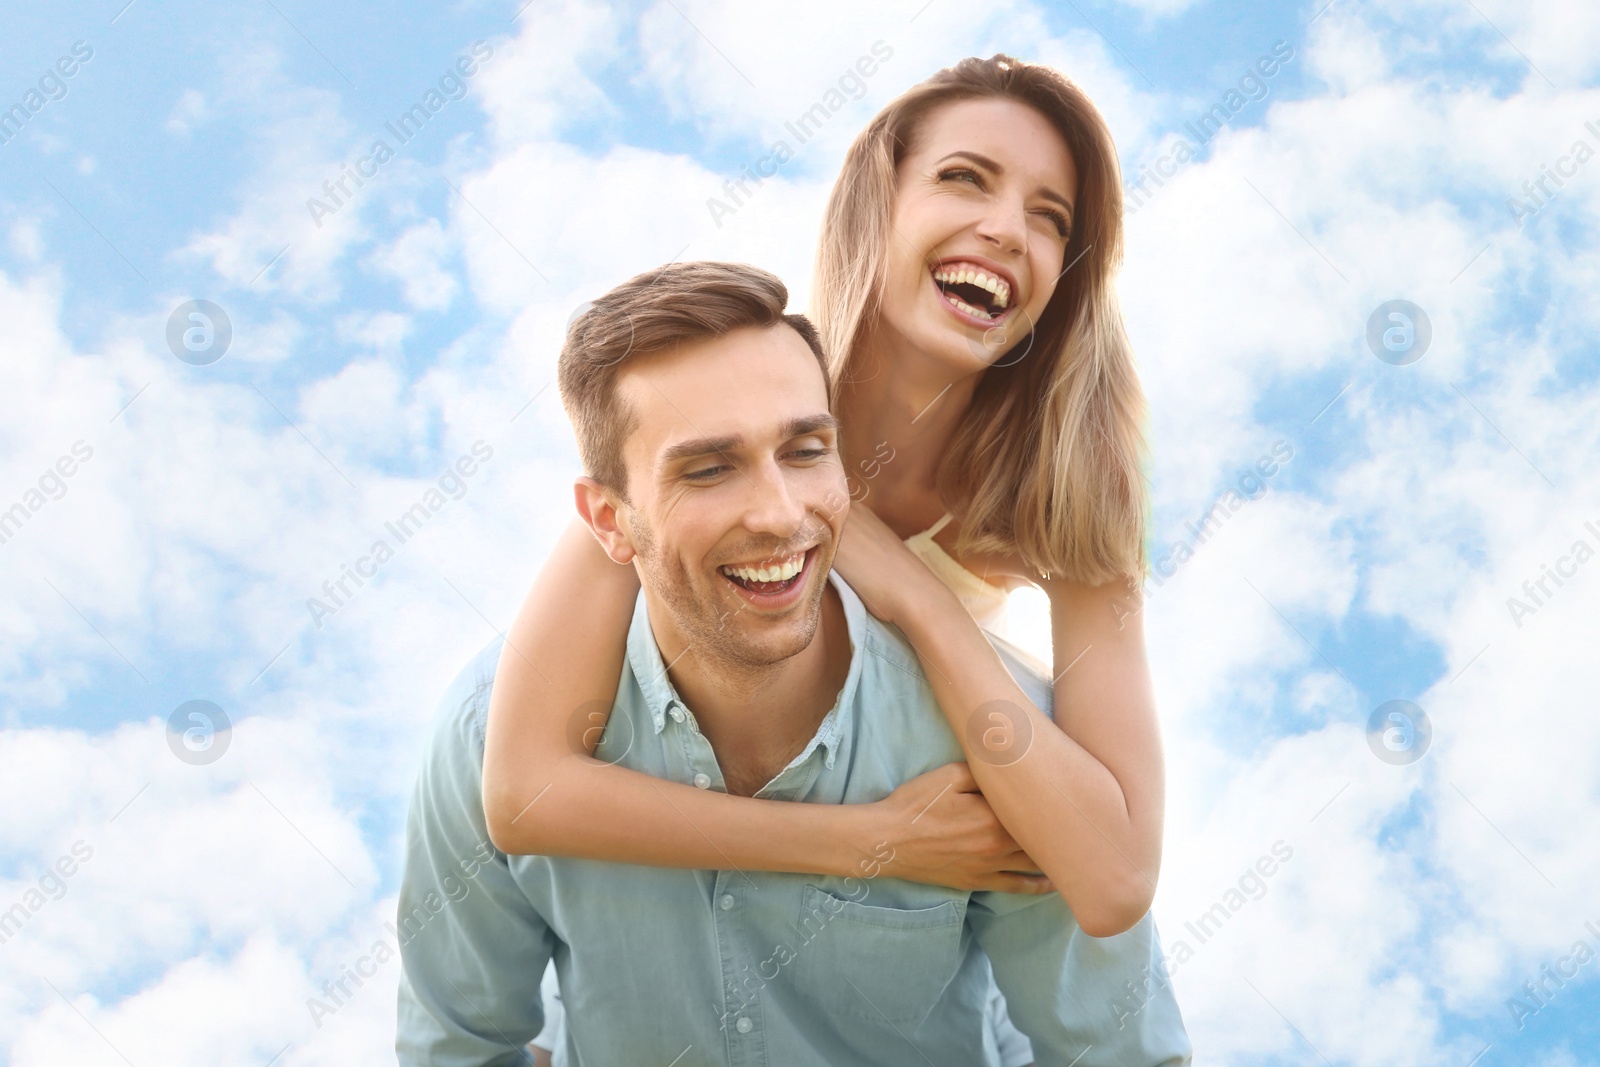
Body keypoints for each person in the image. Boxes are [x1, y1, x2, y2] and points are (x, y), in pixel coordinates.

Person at [486, 55, 1187, 1065]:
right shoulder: (740, 386)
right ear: (876, 205)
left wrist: (914, 597)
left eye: (1050, 217)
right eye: (964, 178)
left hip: (906, 940)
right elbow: (523, 790)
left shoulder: (1073, 478)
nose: (1006, 229)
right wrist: (869, 842)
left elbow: (1115, 876)